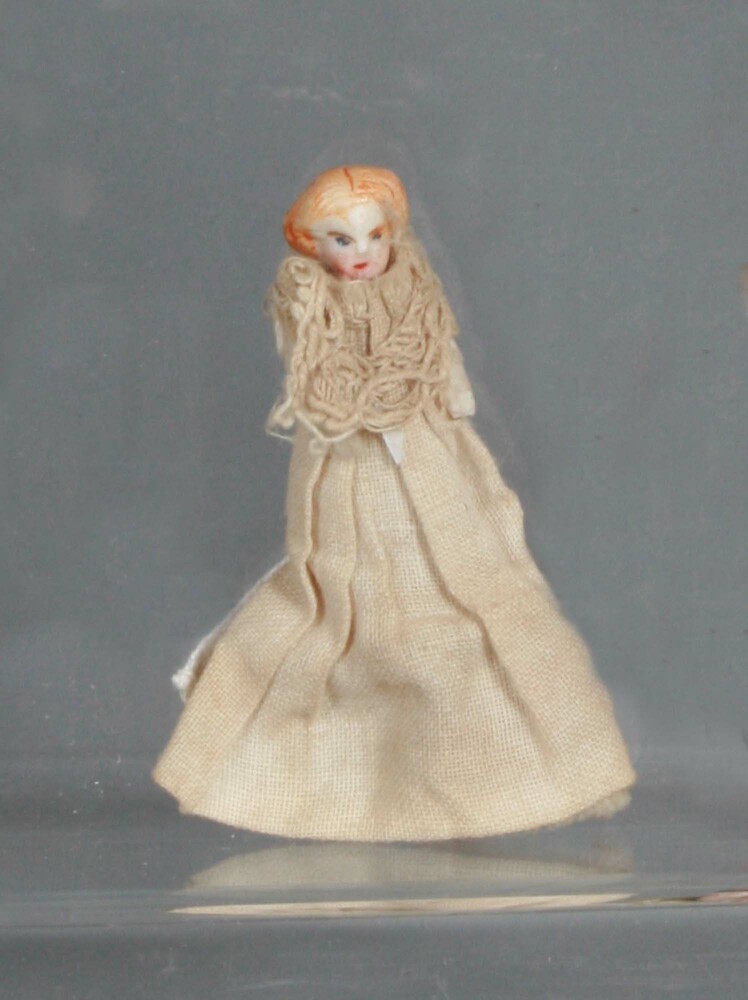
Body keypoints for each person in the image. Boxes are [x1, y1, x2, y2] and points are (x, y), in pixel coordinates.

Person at [153, 165, 635, 840]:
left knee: (471, 587)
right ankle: (312, 780)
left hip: (430, 450)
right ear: (312, 244)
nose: (361, 253)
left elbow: (443, 359)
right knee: (343, 597)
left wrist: (450, 404)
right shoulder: (305, 303)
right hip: (347, 457)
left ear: (393, 236)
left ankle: (537, 775)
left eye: (373, 236)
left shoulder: (416, 292)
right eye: (341, 239)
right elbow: (306, 374)